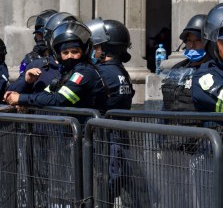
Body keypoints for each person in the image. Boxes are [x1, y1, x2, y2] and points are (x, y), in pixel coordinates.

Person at [86, 17, 137, 207]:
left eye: (95, 47)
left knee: (103, 191)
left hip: (106, 141)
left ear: (106, 49)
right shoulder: (119, 71)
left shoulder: (101, 73)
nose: (91, 50)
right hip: (118, 138)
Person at [4, 20, 107, 111]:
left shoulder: (84, 72)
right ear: (58, 55)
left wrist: (21, 98)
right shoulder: (65, 72)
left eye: (75, 52)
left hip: (85, 131)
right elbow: (46, 94)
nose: (70, 56)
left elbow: (60, 99)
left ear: (84, 52)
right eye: (65, 53)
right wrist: (24, 101)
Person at [161, 14, 210, 111]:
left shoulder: (214, 70)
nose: (192, 45)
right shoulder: (177, 69)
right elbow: (166, 105)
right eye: (189, 40)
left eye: (198, 40)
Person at [19, 9, 57, 76]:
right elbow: (21, 81)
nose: (41, 39)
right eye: (39, 35)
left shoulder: (64, 57)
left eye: (44, 35)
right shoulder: (29, 59)